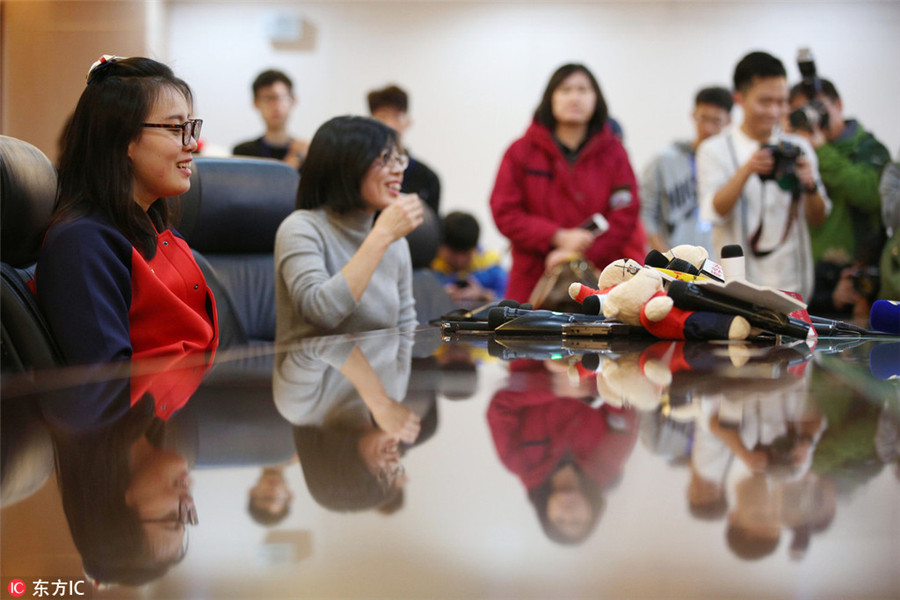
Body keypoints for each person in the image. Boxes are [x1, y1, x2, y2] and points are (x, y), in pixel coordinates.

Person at [34, 55, 218, 366]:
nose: (192, 144)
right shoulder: (81, 243)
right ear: (121, 140)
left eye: (190, 127)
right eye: (176, 128)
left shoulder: (152, 227)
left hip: (196, 406)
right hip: (154, 414)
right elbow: (109, 389)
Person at [489, 63, 646, 303]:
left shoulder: (615, 153)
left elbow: (625, 214)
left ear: (596, 99)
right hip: (534, 279)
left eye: (583, 90)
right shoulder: (521, 151)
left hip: (601, 277)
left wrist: (575, 253)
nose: (575, 97)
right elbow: (505, 211)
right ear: (550, 98)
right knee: (525, 338)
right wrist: (557, 236)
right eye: (565, 90)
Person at [274, 115, 423, 341]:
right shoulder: (301, 228)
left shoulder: (394, 239)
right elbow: (322, 314)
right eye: (385, 158)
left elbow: (406, 329)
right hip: (314, 372)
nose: (398, 170)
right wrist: (380, 236)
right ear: (346, 165)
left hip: (378, 374)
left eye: (399, 159)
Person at [697, 51, 829, 302]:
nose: (774, 111)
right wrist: (747, 170)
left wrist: (810, 185)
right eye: (765, 101)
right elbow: (713, 211)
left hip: (796, 289)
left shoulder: (798, 147)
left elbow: (819, 218)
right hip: (738, 291)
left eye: (781, 102)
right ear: (739, 98)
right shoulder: (714, 149)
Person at [786, 79, 891, 317]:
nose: (814, 119)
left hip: (856, 278)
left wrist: (822, 151)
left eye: (819, 108)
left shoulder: (869, 149)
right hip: (811, 277)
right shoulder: (800, 151)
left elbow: (870, 195)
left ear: (839, 104)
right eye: (805, 112)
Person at [641, 86, 733, 253]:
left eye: (716, 121)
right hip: (673, 264)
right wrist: (666, 259)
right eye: (703, 118)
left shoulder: (733, 166)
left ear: (728, 121)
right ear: (693, 115)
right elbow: (645, 213)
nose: (708, 128)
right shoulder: (663, 161)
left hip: (717, 263)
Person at [367, 84, 441, 215]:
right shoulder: (363, 173)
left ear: (408, 121)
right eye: (382, 116)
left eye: (395, 116)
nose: (388, 124)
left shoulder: (427, 178)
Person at [233, 69, 309, 169]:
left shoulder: (305, 152)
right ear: (255, 103)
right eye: (268, 98)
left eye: (281, 98)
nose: (275, 106)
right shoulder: (243, 153)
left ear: (293, 100)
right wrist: (293, 159)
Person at [430, 211, 508, 304]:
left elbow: (510, 302)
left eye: (466, 253)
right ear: (441, 246)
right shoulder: (429, 267)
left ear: (475, 247)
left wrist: (482, 295)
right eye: (454, 253)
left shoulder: (491, 267)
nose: (460, 261)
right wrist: (437, 295)